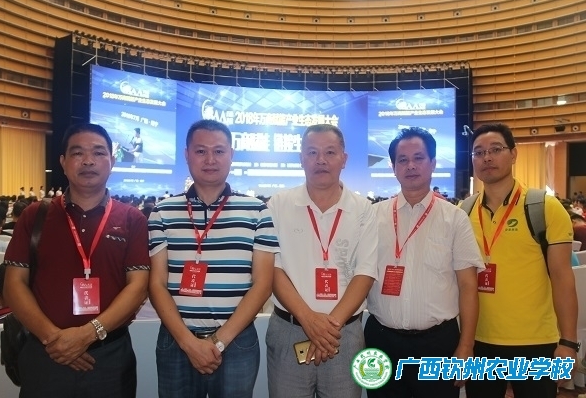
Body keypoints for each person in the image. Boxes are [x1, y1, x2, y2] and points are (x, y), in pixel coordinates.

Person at [4, 123, 150, 398]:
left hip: (108, 355)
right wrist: (55, 340)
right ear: (63, 162)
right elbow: (14, 284)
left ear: (112, 161)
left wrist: (87, 335)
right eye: (78, 153)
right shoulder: (34, 215)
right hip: (46, 352)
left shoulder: (132, 219)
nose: (88, 161)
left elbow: (138, 287)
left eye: (98, 152)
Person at [148, 119, 279, 398]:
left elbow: (263, 284)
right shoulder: (162, 212)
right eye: (200, 151)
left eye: (219, 151)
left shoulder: (257, 211)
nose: (210, 159)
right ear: (186, 155)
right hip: (177, 341)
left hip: (236, 341)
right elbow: (156, 284)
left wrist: (218, 341)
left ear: (231, 154)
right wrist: (188, 343)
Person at [365, 127, 483, 398]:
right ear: (393, 167)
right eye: (403, 160)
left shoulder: (454, 219)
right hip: (382, 341)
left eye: (418, 158)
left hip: (437, 344)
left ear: (433, 163)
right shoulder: (372, 216)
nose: (411, 166)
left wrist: (466, 346)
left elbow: (468, 286)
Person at [463, 123, 577, 398]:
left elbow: (562, 278)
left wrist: (568, 343)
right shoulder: (464, 211)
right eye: (479, 152)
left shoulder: (544, 207)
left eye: (495, 149)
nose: (487, 158)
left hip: (536, 342)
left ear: (514, 154)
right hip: (479, 341)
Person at [266, 124, 378, 398]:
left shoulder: (363, 209)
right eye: (312, 152)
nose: (321, 160)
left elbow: (365, 272)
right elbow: (272, 268)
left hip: (344, 334)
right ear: (301, 158)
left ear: (344, 158)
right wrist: (309, 320)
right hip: (289, 330)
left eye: (330, 152)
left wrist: (328, 328)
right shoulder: (278, 204)